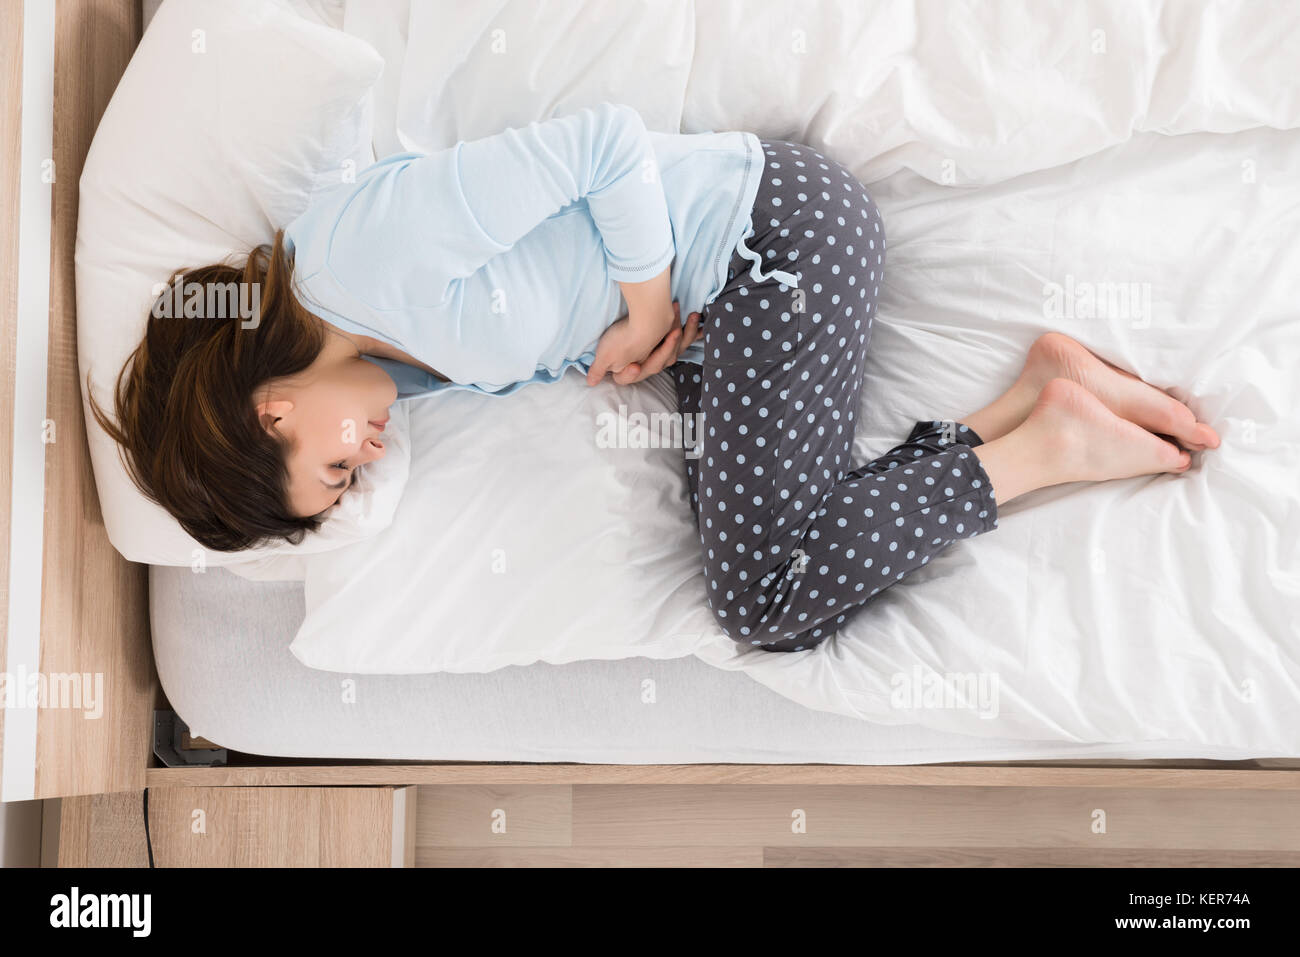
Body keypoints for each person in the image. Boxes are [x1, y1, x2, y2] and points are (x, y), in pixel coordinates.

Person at [91, 104, 1220, 651]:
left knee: (767, 602)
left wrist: (645, 303)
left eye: (332, 471)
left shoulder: (358, 259)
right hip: (720, 310)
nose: (366, 467)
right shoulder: (386, 363)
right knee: (764, 571)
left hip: (770, 240)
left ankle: (1044, 441)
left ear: (270, 408)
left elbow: (602, 146)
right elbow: (540, 301)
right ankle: (1031, 405)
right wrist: (617, 342)